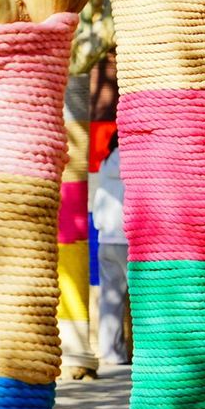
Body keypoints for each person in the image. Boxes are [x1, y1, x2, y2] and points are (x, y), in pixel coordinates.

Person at [92, 130, 129, 364]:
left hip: (105, 239)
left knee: (110, 299)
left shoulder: (105, 165)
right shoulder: (135, 163)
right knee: (145, 299)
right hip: (128, 240)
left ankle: (111, 353)